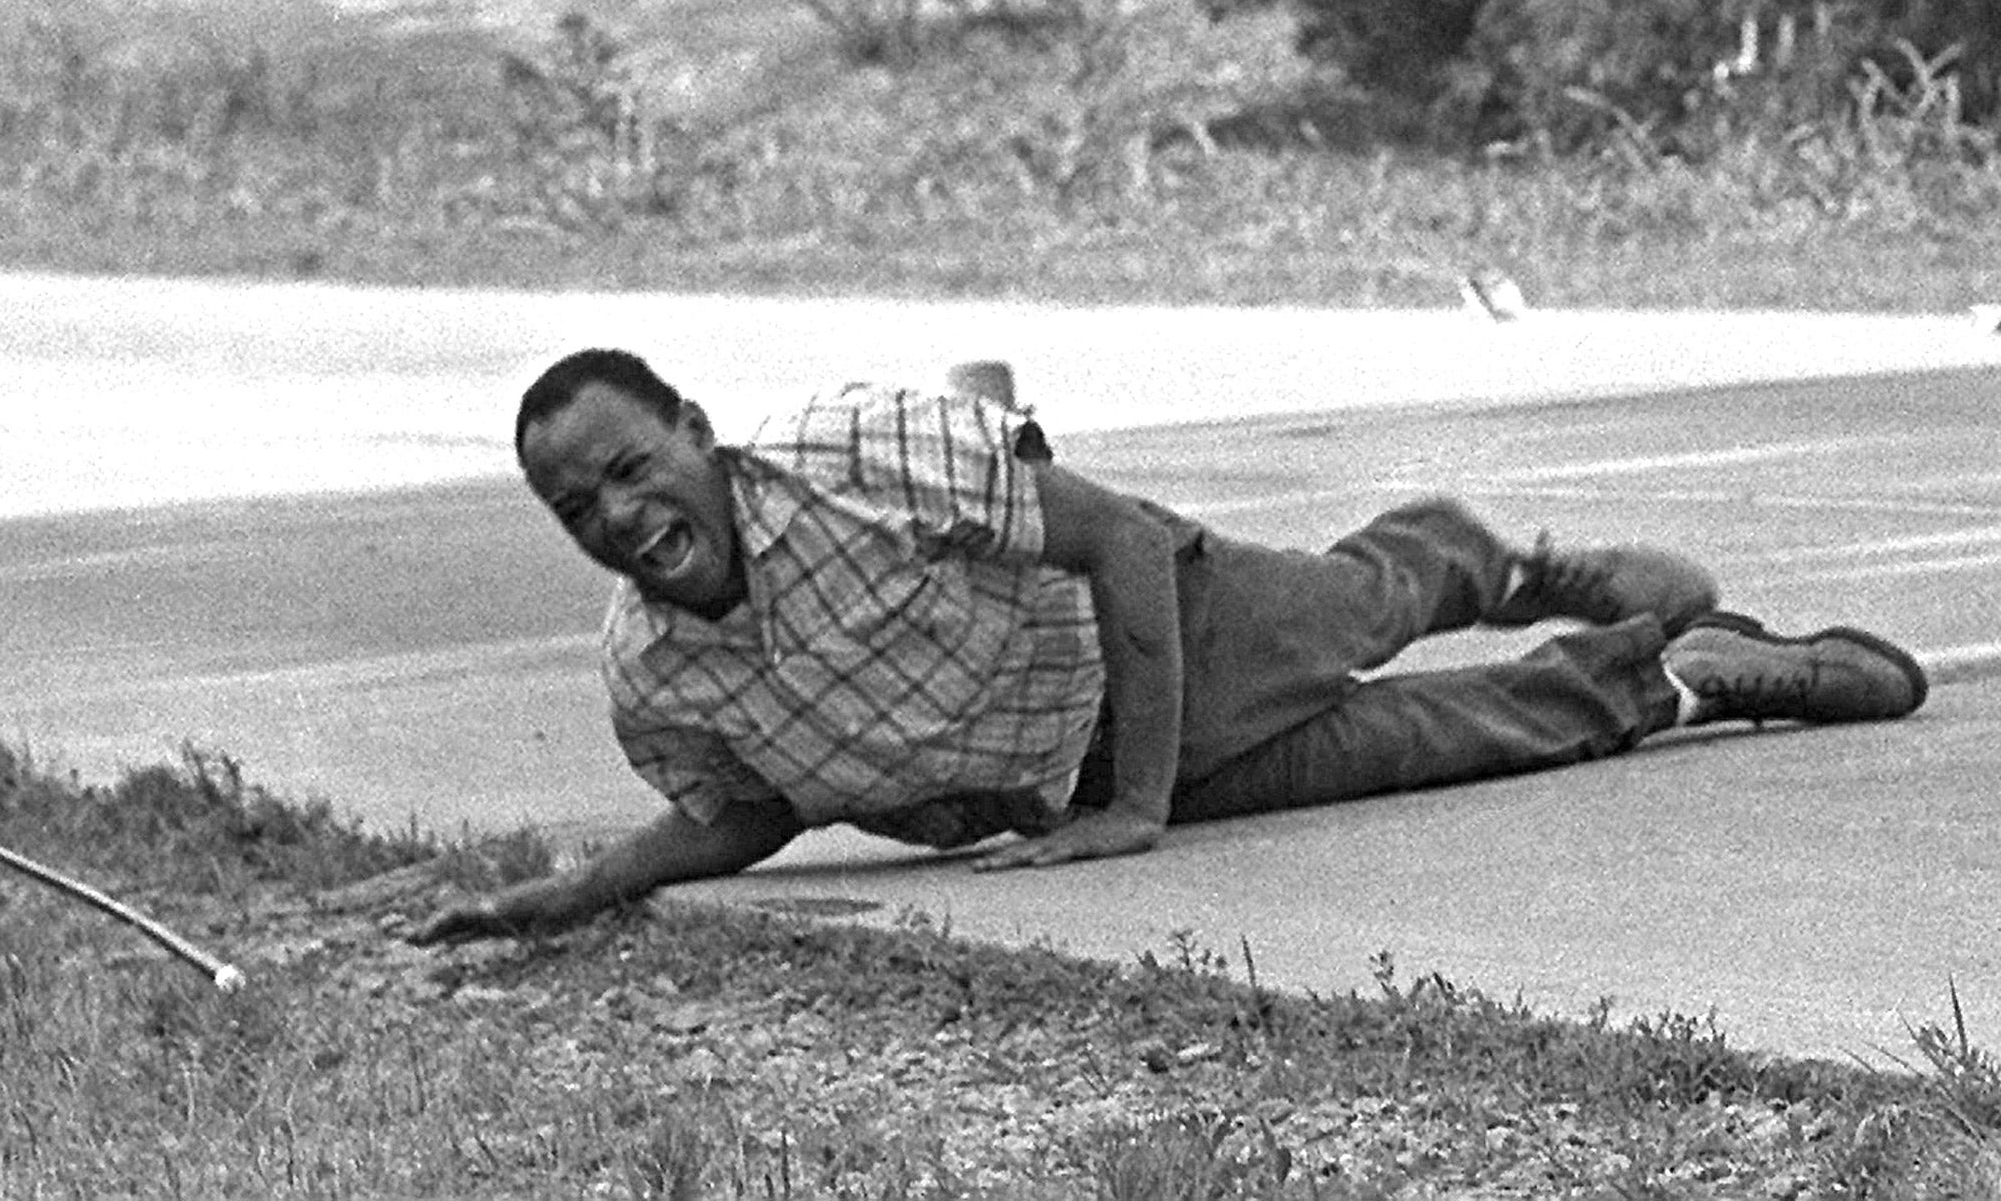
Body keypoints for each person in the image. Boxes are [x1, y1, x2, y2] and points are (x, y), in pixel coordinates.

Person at [408, 348, 1928, 945]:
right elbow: (752, 809)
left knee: (1360, 612)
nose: (619, 517)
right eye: (576, 508)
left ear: (694, 430)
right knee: (1439, 742)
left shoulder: (846, 453)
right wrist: (585, 887)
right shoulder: (654, 676)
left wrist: (1135, 809)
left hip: (1162, 629)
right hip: (1067, 784)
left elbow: (1123, 542)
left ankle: (1485, 560)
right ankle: (1692, 673)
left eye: (631, 468)